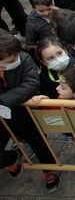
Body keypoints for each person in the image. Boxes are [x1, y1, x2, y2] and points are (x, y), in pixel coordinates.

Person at [0, 29, 61, 193]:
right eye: (10, 59)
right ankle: (11, 158)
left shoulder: (25, 58)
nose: (15, 60)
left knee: (40, 144)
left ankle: (49, 170)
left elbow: (30, 84)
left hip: (26, 114)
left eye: (16, 55)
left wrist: (2, 101)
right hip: (3, 118)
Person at [30, 38, 75, 103]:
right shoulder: (44, 76)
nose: (58, 59)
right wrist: (46, 98)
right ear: (43, 62)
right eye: (51, 58)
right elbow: (48, 94)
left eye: (60, 53)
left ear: (65, 51)